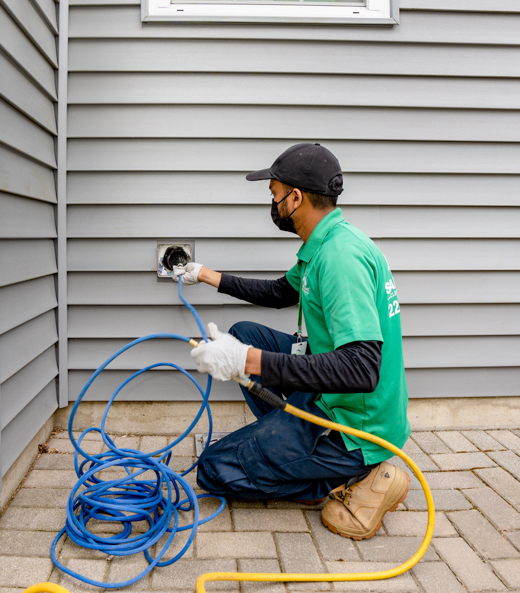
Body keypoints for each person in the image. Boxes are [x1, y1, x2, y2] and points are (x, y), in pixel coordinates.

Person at [174, 143, 411, 541]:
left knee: (214, 469)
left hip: (353, 426)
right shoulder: (328, 242)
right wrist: (206, 274)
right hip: (330, 394)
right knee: (248, 332)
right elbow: (280, 292)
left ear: (295, 198)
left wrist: (245, 361)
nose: (273, 203)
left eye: (274, 195)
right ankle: (288, 445)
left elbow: (362, 368)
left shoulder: (340, 260)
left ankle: (348, 476)